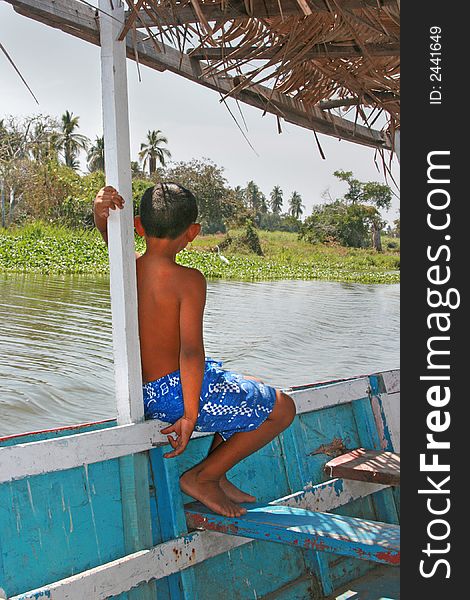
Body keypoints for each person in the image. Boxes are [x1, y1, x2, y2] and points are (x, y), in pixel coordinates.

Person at [93, 183, 296, 517]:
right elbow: (190, 353)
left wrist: (99, 212)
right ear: (192, 233)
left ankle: (219, 474)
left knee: (247, 382)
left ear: (139, 225)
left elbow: (109, 235)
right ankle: (202, 477)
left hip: (145, 392)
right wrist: (189, 416)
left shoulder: (126, 268)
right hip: (174, 396)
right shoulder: (189, 280)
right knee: (283, 408)